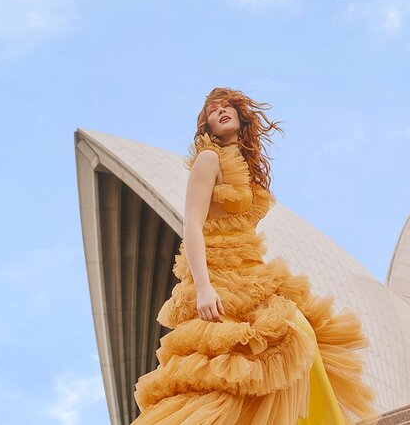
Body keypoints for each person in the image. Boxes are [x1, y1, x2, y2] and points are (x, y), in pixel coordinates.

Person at [132, 87, 379, 424]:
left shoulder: (246, 168)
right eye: (211, 111)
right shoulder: (209, 159)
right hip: (219, 277)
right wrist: (203, 287)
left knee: (294, 343)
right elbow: (191, 225)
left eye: (225, 105)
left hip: (251, 272)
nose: (219, 111)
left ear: (240, 113)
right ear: (206, 126)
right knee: (231, 371)